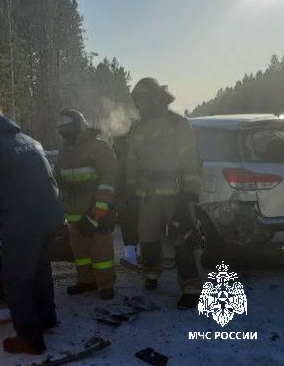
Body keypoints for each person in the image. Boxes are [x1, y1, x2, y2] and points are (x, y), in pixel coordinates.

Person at [0, 109, 64, 355]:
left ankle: (30, 338)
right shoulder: (28, 141)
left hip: (20, 222)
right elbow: (50, 181)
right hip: (49, 217)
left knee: (18, 280)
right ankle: (47, 319)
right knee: (40, 272)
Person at [126, 78, 202, 309]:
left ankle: (191, 287)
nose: (141, 104)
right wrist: (130, 190)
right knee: (147, 236)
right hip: (148, 195)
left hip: (175, 193)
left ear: (158, 98)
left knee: (183, 238)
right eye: (138, 100)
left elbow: (191, 160)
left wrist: (189, 194)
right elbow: (132, 160)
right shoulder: (138, 127)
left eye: (145, 99)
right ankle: (151, 275)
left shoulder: (178, 124)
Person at [55, 108, 118, 300]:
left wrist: (99, 211)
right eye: (62, 130)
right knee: (80, 251)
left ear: (79, 126)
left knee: (101, 250)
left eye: (69, 129)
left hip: (96, 210)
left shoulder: (98, 147)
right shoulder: (64, 152)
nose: (65, 134)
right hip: (74, 213)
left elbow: (109, 179)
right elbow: (59, 181)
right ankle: (86, 281)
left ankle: (106, 285)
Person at [113, 123, 141, 270]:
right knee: (136, 226)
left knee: (128, 227)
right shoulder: (136, 150)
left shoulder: (121, 154)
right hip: (138, 196)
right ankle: (137, 256)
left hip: (127, 197)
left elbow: (119, 178)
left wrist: (119, 199)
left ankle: (131, 258)